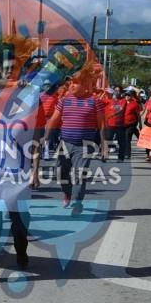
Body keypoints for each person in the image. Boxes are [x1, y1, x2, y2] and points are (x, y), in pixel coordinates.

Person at [44, 73, 105, 216]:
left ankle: (78, 202)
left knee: (79, 175)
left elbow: (102, 124)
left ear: (85, 86)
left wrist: (104, 145)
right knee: (60, 173)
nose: (71, 85)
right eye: (70, 83)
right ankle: (67, 193)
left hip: (84, 145)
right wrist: (46, 137)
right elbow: (54, 119)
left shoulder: (95, 101)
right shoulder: (64, 100)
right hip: (65, 142)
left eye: (75, 83)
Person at [122, 89, 141, 160]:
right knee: (125, 138)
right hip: (123, 124)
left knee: (127, 138)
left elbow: (138, 115)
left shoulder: (135, 104)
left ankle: (127, 154)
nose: (127, 96)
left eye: (128, 95)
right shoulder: (123, 103)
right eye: (126, 95)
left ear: (131, 96)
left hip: (131, 123)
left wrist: (140, 124)